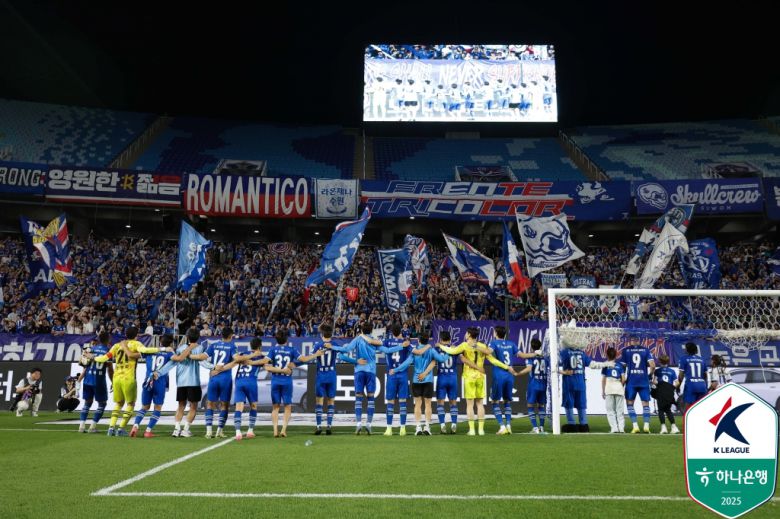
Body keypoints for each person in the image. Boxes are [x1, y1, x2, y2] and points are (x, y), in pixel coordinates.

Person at [93, 326, 168, 437]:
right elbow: (145, 351)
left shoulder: (116, 345)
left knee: (118, 403)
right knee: (130, 404)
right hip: (128, 378)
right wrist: (162, 349)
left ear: (125, 335)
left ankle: (111, 428)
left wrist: (93, 357)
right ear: (136, 335)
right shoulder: (136, 344)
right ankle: (121, 429)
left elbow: (104, 358)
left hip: (116, 378)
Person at [439, 327, 514, 436]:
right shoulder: (482, 346)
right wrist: (506, 367)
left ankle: (472, 430)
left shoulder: (464, 345)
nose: (465, 334)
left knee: (470, 405)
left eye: (466, 333)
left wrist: (440, 346)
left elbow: (451, 351)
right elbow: (493, 360)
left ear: (469, 334)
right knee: (480, 404)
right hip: (480, 377)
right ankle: (481, 430)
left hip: (469, 377)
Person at [153, 327, 212, 437]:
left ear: (187, 337)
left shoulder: (181, 348)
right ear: (198, 337)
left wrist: (159, 372)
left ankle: (176, 429)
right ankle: (185, 430)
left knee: (181, 406)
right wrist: (214, 367)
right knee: (193, 407)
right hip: (193, 382)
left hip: (181, 382)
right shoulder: (200, 348)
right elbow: (203, 362)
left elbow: (172, 363)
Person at [328, 323, 383, 435]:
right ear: (371, 330)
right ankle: (369, 424)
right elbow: (384, 348)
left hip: (359, 371)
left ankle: (358, 424)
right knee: (371, 398)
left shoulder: (358, 339)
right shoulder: (374, 340)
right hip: (371, 371)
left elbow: (346, 349)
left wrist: (333, 347)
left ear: (361, 330)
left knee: (358, 398)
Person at [390, 332, 447, 435]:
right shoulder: (431, 350)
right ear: (427, 340)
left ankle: (418, 427)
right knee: (428, 404)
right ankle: (427, 427)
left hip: (417, 380)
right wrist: (449, 353)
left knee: (418, 404)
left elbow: (406, 363)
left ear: (418, 340)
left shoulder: (415, 351)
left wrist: (395, 370)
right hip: (428, 380)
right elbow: (441, 359)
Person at [559, 343, 614, 433]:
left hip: (569, 383)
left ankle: (572, 424)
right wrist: (605, 364)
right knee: (581, 404)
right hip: (581, 383)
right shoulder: (581, 353)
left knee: (569, 404)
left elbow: (553, 365)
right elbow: (593, 365)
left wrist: (564, 372)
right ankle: (584, 425)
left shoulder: (564, 352)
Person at [295, 323, 337, 435]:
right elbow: (343, 354)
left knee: (319, 401)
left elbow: (307, 359)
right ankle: (329, 426)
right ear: (331, 334)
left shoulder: (317, 345)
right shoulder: (335, 344)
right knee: (331, 401)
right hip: (331, 374)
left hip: (321, 375)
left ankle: (318, 426)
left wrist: (295, 364)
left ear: (322, 334)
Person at [131, 334, 175, 438]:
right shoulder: (169, 353)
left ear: (160, 341)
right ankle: (148, 431)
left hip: (148, 380)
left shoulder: (150, 351)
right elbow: (176, 359)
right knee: (158, 407)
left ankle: (135, 426)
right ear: (171, 343)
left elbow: (134, 355)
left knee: (144, 407)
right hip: (159, 382)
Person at [199, 327, 239, 439]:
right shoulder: (232, 346)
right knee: (224, 405)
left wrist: (212, 367)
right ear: (230, 336)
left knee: (210, 404)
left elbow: (202, 358)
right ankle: (219, 431)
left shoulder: (213, 345)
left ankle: (208, 431)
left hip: (214, 378)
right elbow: (237, 359)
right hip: (225, 379)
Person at [265, 329, 302, 438]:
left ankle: (275, 430)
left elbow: (267, 366)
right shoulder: (292, 349)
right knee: (287, 406)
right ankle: (283, 430)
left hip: (275, 380)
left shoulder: (272, 350)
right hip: (287, 381)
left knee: (275, 407)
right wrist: (294, 364)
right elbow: (303, 359)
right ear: (287, 339)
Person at [378, 324, 412, 436]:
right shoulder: (406, 343)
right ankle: (403, 428)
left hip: (391, 374)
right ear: (401, 332)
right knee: (402, 402)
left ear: (392, 333)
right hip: (403, 375)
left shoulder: (387, 342)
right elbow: (413, 354)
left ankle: (389, 429)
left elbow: (383, 349)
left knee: (390, 402)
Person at [233, 337, 269, 440]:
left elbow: (235, 360)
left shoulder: (243, 354)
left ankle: (238, 432)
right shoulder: (261, 356)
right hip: (251, 382)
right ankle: (250, 430)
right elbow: (267, 365)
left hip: (239, 382)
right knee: (253, 406)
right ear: (260, 346)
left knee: (239, 407)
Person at [487, 326, 520, 435]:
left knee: (494, 401)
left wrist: (477, 346)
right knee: (507, 401)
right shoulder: (511, 344)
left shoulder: (494, 343)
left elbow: (488, 351)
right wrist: (534, 353)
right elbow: (522, 355)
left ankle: (502, 426)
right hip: (509, 375)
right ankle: (509, 425)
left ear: (496, 333)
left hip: (499, 375)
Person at [77, 333, 112, 433]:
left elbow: (83, 364)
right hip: (99, 381)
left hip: (87, 379)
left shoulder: (91, 349)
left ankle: (81, 426)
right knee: (102, 403)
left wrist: (79, 381)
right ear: (108, 339)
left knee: (87, 403)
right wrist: (113, 382)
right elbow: (110, 370)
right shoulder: (108, 351)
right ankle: (92, 427)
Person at [620, 334, 656, 434]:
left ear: (630, 341)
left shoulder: (625, 350)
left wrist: (622, 379)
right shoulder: (646, 350)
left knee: (630, 403)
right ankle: (646, 426)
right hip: (643, 381)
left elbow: (623, 367)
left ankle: (635, 426)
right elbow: (653, 366)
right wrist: (649, 375)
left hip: (631, 381)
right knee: (645, 404)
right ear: (639, 341)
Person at [516, 338, 548, 433]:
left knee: (530, 405)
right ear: (540, 346)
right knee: (541, 405)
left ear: (531, 346)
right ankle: (541, 427)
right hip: (543, 384)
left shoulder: (530, 356)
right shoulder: (545, 357)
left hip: (533, 385)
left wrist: (518, 373)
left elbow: (529, 369)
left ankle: (535, 427)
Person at [434, 331, 459, 434]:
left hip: (442, 377)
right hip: (453, 378)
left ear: (440, 339)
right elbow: (463, 357)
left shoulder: (436, 349)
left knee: (440, 402)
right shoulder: (454, 349)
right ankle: (453, 424)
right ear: (450, 339)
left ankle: (442, 425)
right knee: (453, 402)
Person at [676, 342, 708, 412]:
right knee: (701, 407)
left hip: (691, 385)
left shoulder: (683, 359)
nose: (684, 349)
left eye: (685, 348)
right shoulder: (702, 359)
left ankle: (686, 419)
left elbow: (681, 375)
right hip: (702, 385)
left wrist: (678, 385)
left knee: (688, 407)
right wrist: (706, 386)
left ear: (687, 350)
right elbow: (705, 375)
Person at [601, 347, 626, 433]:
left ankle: (614, 428)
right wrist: (620, 386)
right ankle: (621, 428)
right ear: (616, 355)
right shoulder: (620, 365)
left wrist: (603, 391)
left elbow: (603, 379)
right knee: (620, 410)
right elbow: (623, 379)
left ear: (607, 355)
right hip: (618, 387)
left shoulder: (605, 365)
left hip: (609, 388)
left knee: (610, 410)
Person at [653, 354, 680, 434]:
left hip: (661, 391)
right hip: (669, 392)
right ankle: (674, 427)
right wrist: (671, 388)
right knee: (668, 410)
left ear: (660, 361)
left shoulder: (657, 371)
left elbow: (655, 382)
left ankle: (663, 428)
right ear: (668, 361)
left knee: (661, 410)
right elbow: (677, 383)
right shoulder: (672, 371)